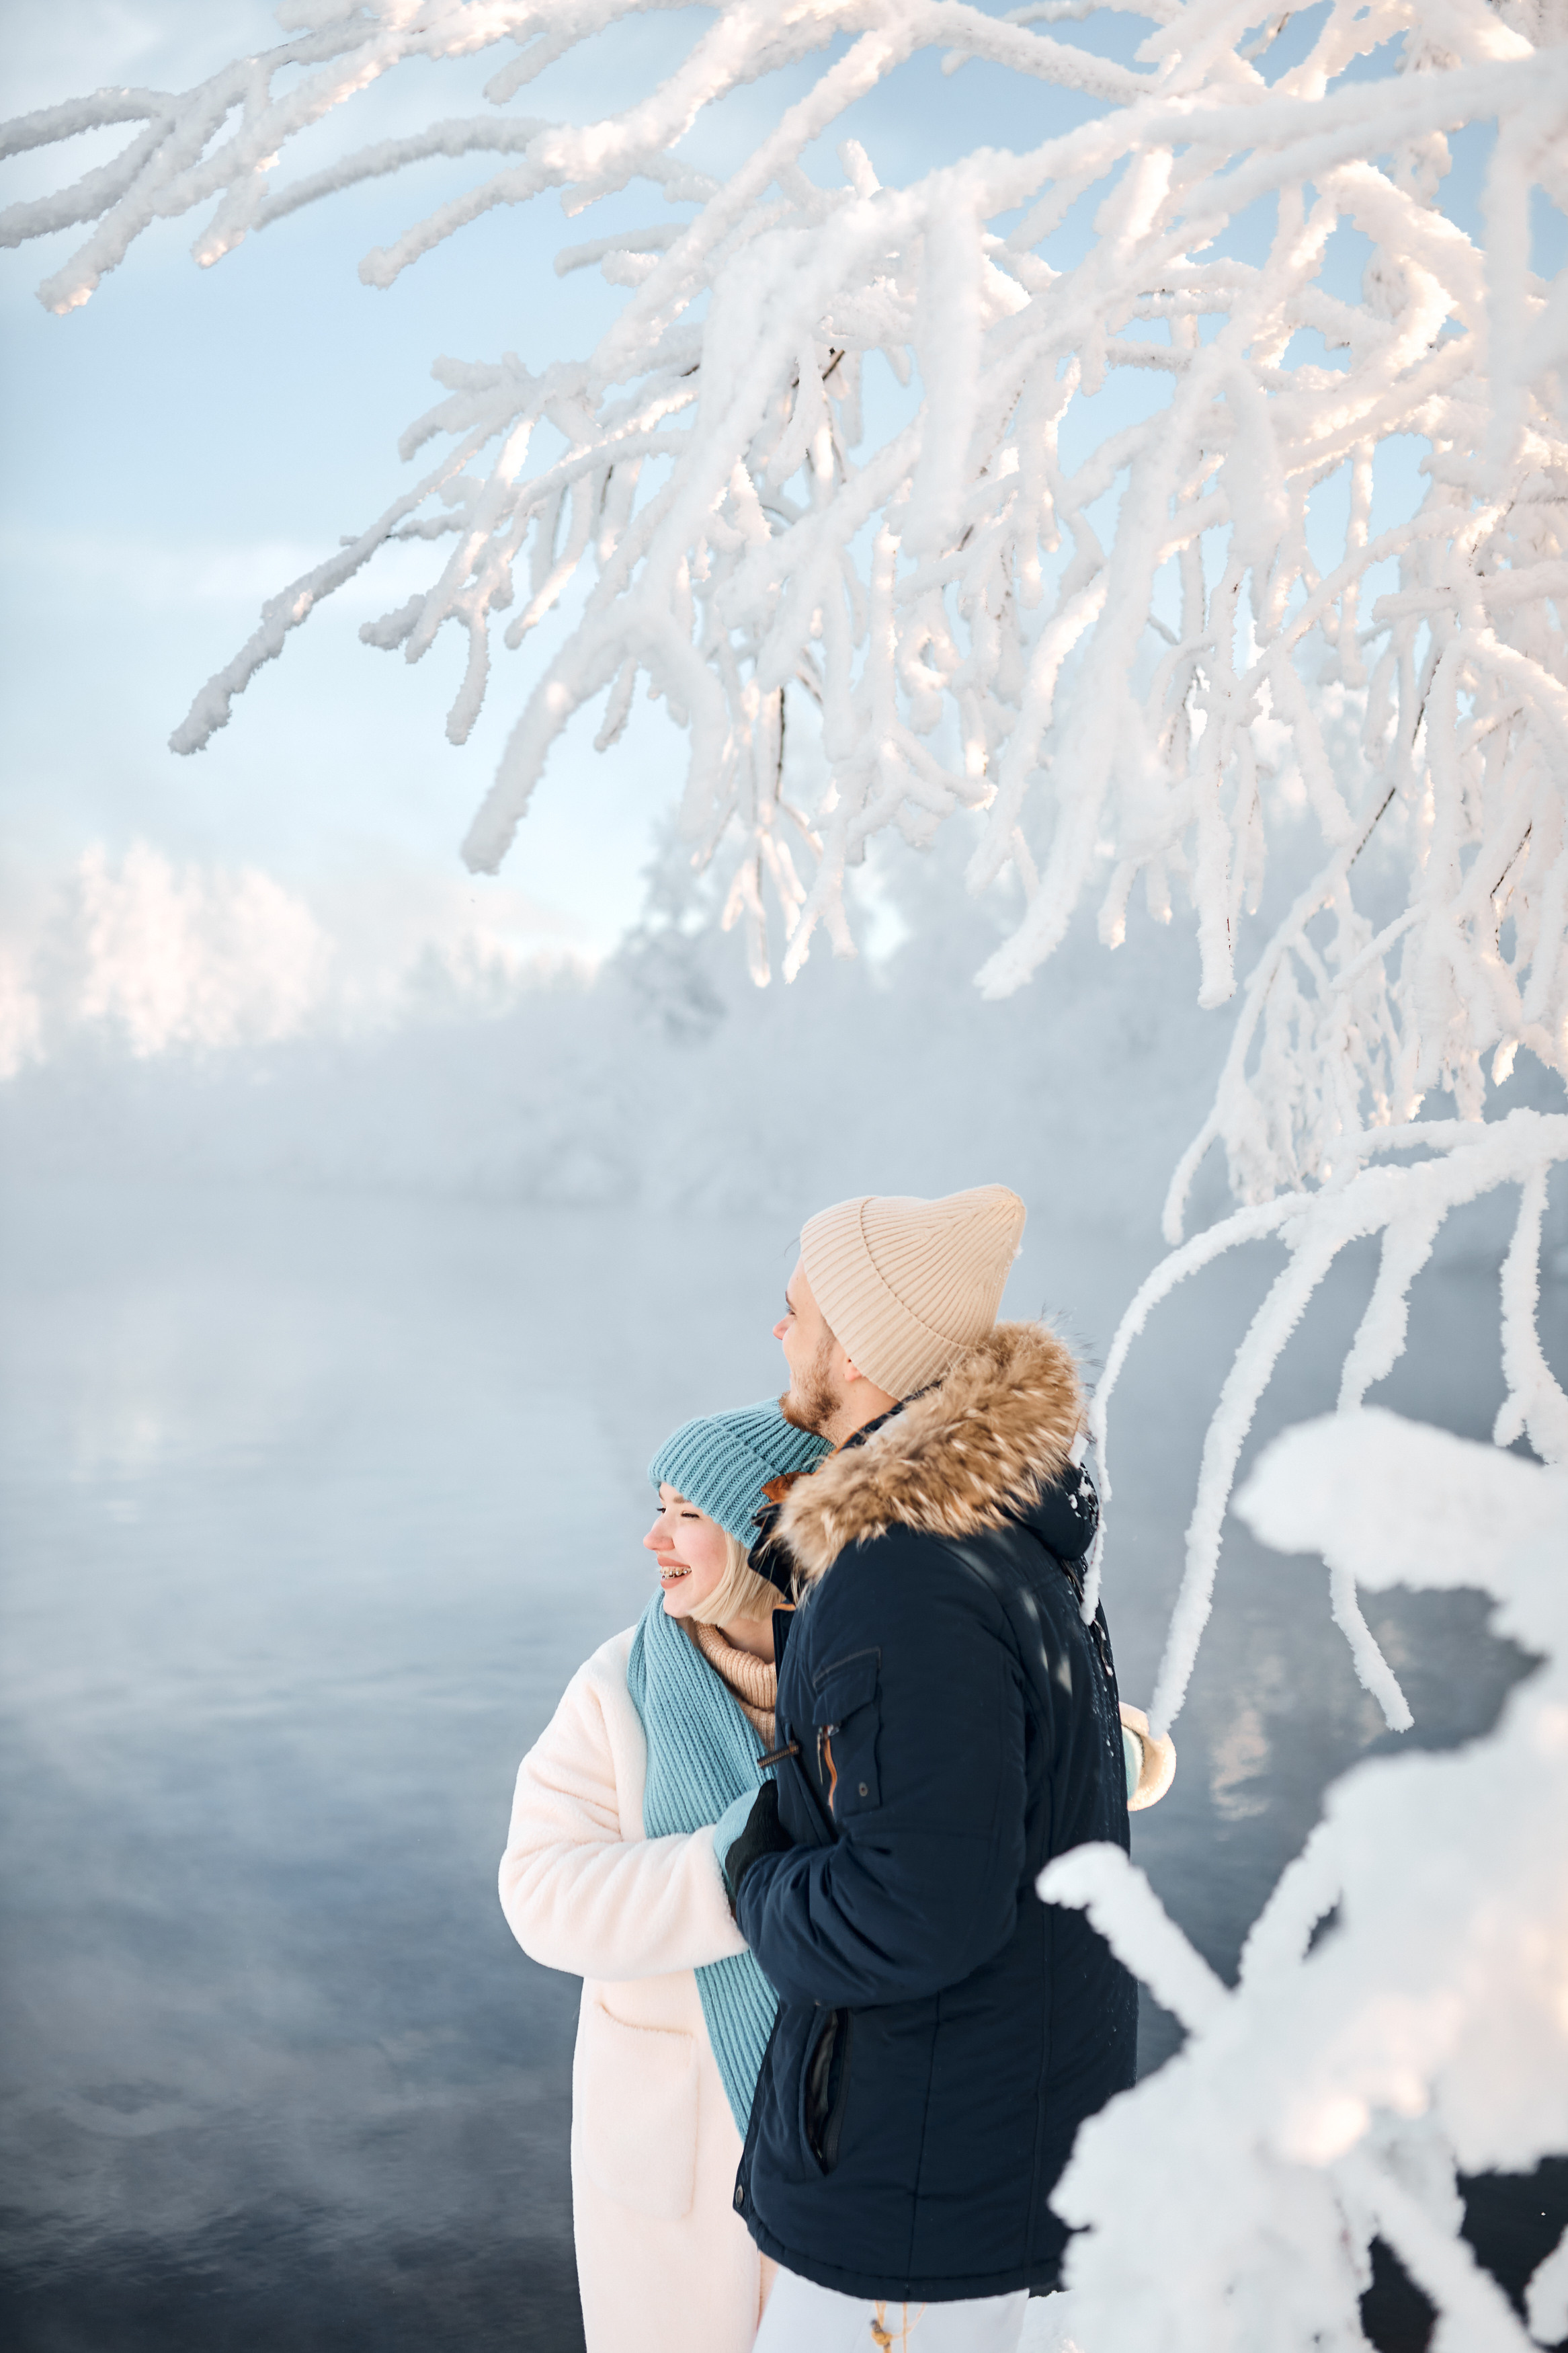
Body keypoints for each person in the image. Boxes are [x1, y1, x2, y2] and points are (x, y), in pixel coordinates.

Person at [715, 1186, 1173, 2353]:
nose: (779, 1334)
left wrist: (755, 1877)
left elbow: (916, 1910)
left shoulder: (903, 1574)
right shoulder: (994, 1539)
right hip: (976, 2159)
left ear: (859, 1346)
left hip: (913, 2201)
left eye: (796, 1310)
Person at [499, 1401, 831, 2353]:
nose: (653, 1537)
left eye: (687, 1512)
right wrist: (732, 1868)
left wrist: (1107, 1748)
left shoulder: (879, 1677)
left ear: (764, 1536)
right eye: (659, 1506)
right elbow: (540, 1895)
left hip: (848, 2132)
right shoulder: (616, 1689)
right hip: (671, 2163)